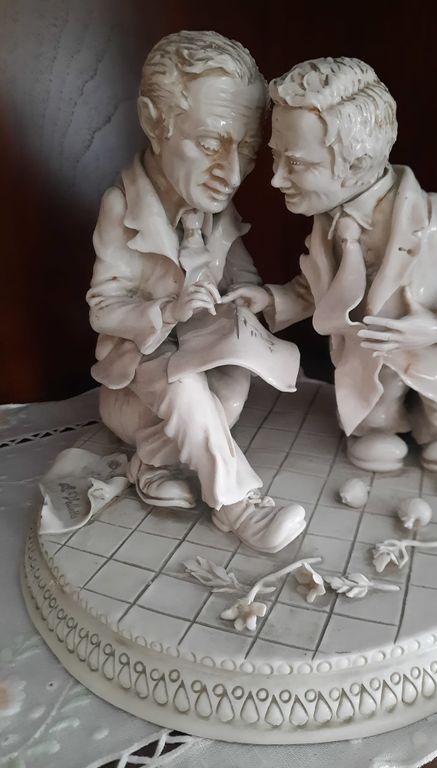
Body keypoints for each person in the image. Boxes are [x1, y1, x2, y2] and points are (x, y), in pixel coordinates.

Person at [224, 57, 437, 474]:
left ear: (358, 165)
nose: (276, 178)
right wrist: (271, 300)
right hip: (369, 355)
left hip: (434, 351)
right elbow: (317, 286)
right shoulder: (327, 224)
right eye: (277, 157)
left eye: (297, 163)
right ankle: (380, 425)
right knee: (375, 409)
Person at [86, 31, 305, 553]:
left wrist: (247, 298)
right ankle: (237, 504)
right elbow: (102, 308)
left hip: (198, 352)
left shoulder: (213, 207)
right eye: (210, 145)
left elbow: (242, 275)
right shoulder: (121, 206)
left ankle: (151, 463)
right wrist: (167, 310)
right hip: (138, 365)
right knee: (184, 388)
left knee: (228, 392)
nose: (230, 174)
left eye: (246, 151)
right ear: (153, 122)